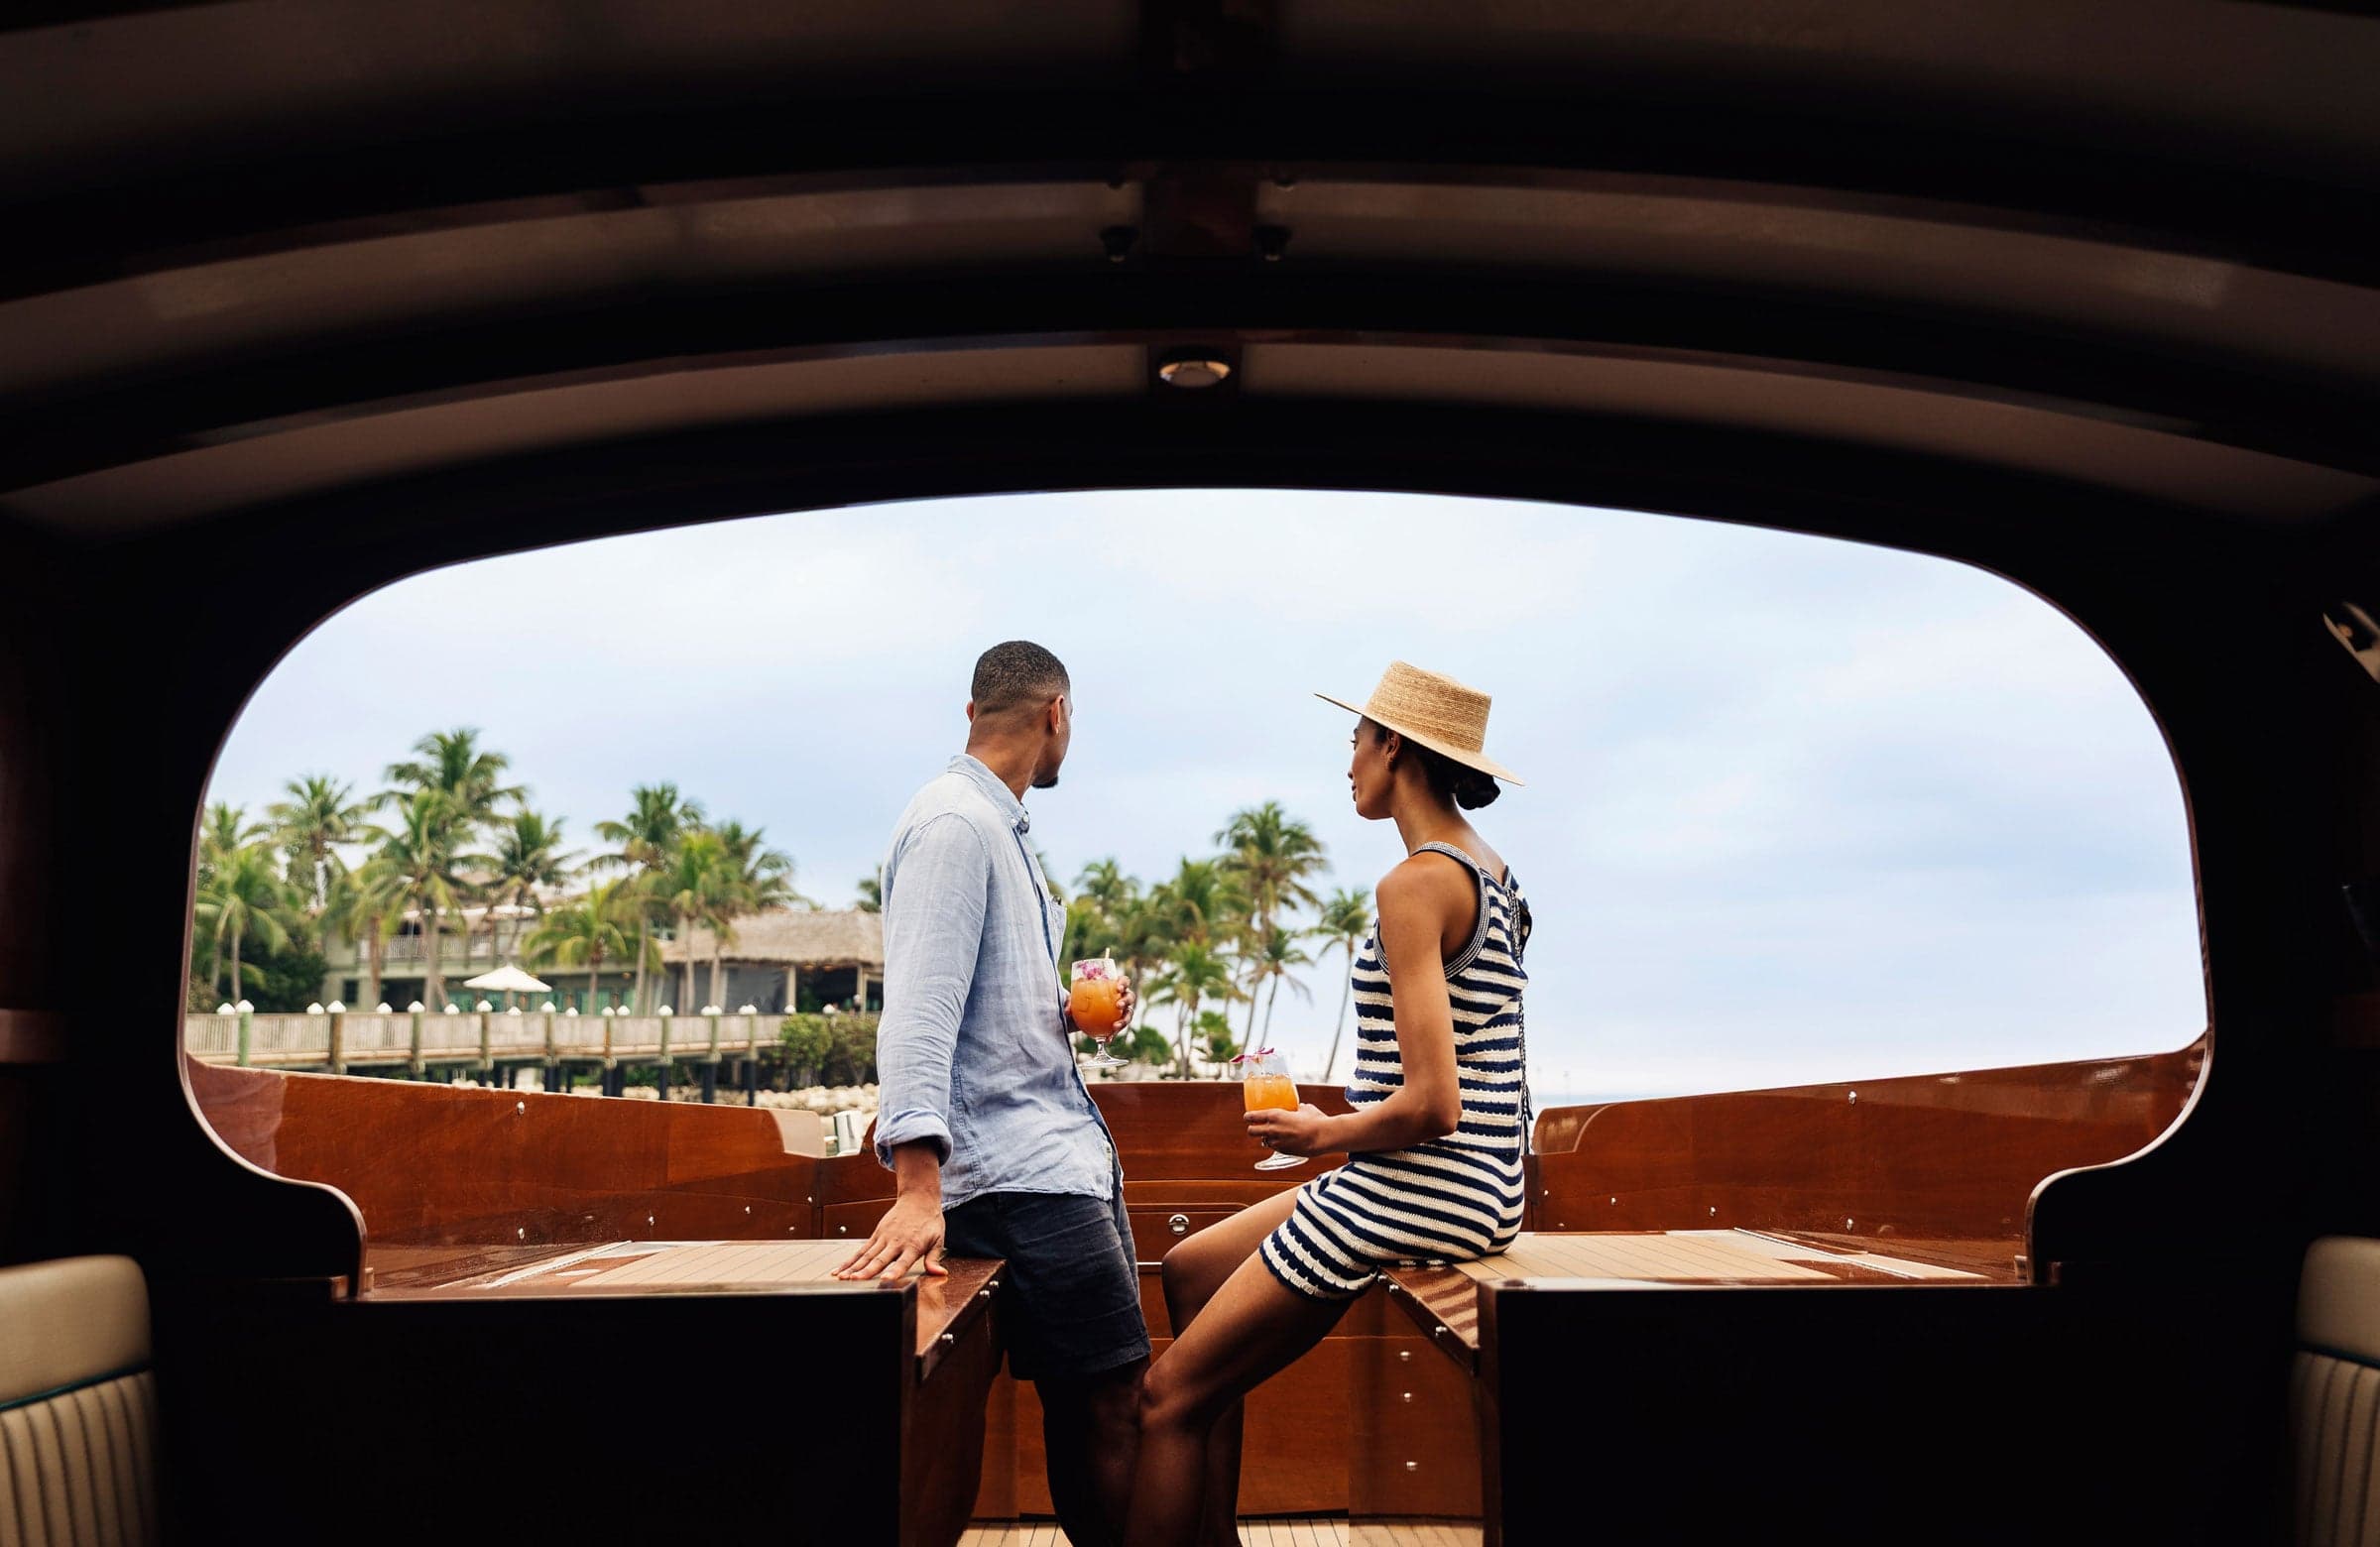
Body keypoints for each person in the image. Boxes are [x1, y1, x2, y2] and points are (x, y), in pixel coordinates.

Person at [1126, 661, 1532, 1547]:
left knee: (1161, 1402)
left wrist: (1322, 1132)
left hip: (1421, 1184)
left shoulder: (1414, 885)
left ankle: (1186, 1446)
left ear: (1394, 747)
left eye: (1355, 739)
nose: (1346, 760)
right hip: (1484, 1186)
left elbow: (1433, 1103)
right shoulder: (1494, 873)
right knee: (1193, 1271)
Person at [836, 640, 1146, 1546]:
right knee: (1113, 1403)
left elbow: (977, 1000)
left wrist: (1065, 1011)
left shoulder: (992, 824)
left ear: (974, 714)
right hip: (1020, 1179)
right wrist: (917, 1189)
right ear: (1057, 715)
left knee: (1095, 1403)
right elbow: (919, 1012)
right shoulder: (956, 827)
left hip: (1047, 1163)